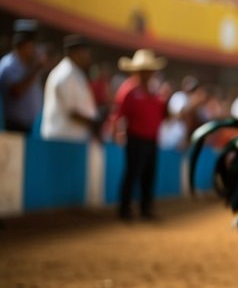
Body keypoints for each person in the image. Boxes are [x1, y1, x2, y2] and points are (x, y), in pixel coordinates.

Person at [112, 49, 168, 221]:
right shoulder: (128, 90)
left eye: (149, 70)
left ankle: (146, 208)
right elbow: (118, 114)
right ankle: (125, 209)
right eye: (144, 70)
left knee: (149, 175)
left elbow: (162, 114)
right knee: (132, 174)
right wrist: (117, 132)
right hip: (135, 139)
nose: (147, 74)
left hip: (152, 140)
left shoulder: (155, 92)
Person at [40, 35, 101, 142]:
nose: (88, 56)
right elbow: (72, 112)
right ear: (75, 53)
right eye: (85, 52)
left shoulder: (75, 72)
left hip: (70, 139)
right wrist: (95, 122)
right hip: (62, 139)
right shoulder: (66, 74)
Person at [0, 19, 49, 134]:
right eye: (32, 45)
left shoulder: (29, 65)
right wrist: (36, 69)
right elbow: (16, 92)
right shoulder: (9, 65)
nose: (34, 49)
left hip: (31, 127)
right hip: (14, 127)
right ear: (23, 45)